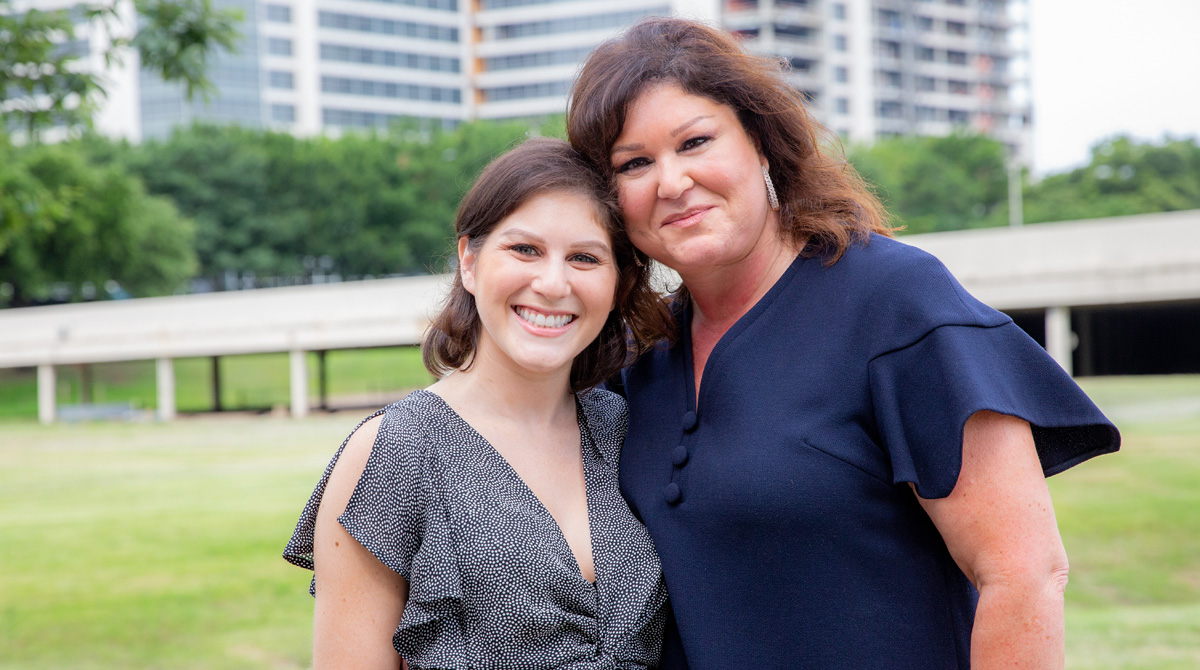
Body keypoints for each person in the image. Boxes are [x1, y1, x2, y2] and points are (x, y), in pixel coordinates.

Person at [566, 18, 1121, 670]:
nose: (672, 181)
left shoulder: (894, 303)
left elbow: (1024, 575)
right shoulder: (635, 362)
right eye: (635, 164)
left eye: (695, 142)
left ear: (762, 143)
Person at [283, 138, 673, 670]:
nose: (553, 283)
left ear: (616, 284)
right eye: (525, 249)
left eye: (584, 257)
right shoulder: (395, 454)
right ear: (469, 261)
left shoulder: (625, 430)